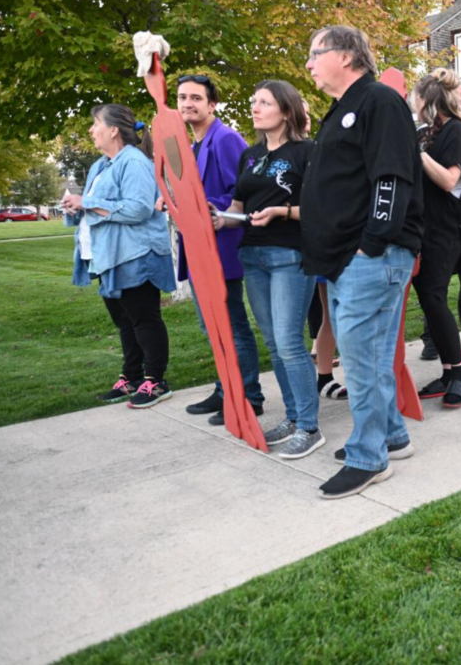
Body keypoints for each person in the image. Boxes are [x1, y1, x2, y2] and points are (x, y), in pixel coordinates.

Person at [302, 24, 424, 498]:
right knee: (370, 354)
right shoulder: (343, 109)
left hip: (372, 255)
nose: (309, 63)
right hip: (350, 257)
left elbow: (390, 178)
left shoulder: (378, 101)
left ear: (348, 55)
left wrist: (371, 243)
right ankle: (391, 437)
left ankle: (368, 457)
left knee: (363, 357)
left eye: (315, 53)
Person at [212, 80, 321, 458]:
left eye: (264, 102)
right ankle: (293, 417)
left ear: (287, 111)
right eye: (253, 101)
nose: (255, 108)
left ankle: (309, 426)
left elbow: (324, 210)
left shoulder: (308, 152)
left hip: (290, 255)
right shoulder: (250, 155)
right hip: (253, 257)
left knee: (290, 342)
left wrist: (283, 212)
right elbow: (239, 209)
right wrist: (219, 219)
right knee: (274, 342)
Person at [63, 105, 176, 408]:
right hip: (108, 255)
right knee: (125, 321)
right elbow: (92, 206)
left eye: (95, 124)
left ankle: (156, 381)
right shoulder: (102, 164)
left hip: (136, 253)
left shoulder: (135, 162)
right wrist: (77, 207)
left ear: (113, 130)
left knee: (143, 318)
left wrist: (87, 202)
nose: (91, 130)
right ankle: (132, 377)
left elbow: (139, 207)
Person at [176, 74, 266, 425]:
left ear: (212, 104)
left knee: (231, 324)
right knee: (210, 326)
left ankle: (248, 395)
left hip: (221, 249)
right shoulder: (194, 144)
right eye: (183, 97)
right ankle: (224, 388)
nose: (188, 104)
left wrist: (207, 208)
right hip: (198, 248)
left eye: (196, 98)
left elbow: (241, 195)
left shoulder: (226, 139)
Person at [410, 70, 461, 409]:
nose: (413, 104)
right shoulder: (430, 132)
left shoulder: (458, 132)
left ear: (429, 100)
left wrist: (418, 154)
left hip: (451, 230)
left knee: (434, 296)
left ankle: (459, 375)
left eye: (416, 98)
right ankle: (448, 370)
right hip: (429, 229)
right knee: (429, 297)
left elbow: (451, 182)